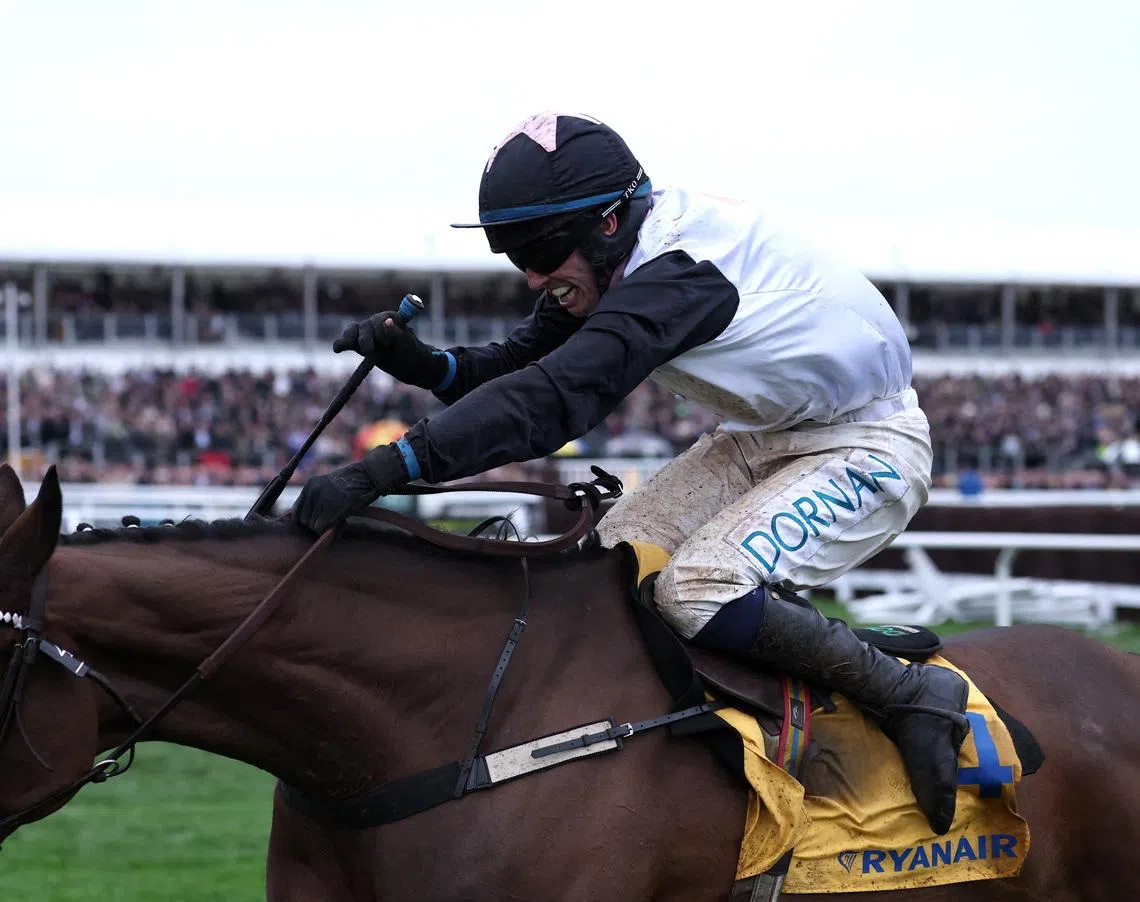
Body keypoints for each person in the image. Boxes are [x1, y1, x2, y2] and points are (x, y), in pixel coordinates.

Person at [294, 112, 969, 835]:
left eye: (541, 250)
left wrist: (389, 468)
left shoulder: (678, 275)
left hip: (868, 445)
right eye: (515, 254)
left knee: (695, 592)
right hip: (762, 434)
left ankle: (907, 695)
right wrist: (425, 365)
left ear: (610, 222)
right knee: (602, 569)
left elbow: (555, 399)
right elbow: (524, 362)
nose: (532, 275)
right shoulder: (618, 255)